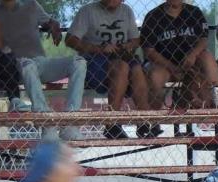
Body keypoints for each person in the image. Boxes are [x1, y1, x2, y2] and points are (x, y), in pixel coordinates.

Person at [0, 0, 87, 140]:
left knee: (78, 62)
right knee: (27, 64)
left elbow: (49, 21)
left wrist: (54, 25)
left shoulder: (31, 5)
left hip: (40, 62)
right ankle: (46, 123)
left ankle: (70, 122)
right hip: (16, 66)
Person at [66, 0, 154, 139]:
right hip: (95, 59)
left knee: (137, 69)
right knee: (122, 67)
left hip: (122, 56)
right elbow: (70, 39)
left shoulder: (126, 10)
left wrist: (129, 45)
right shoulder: (87, 11)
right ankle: (112, 123)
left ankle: (143, 123)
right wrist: (99, 49)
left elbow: (136, 39)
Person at [141, 0, 218, 111]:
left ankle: (217, 103)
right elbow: (149, 50)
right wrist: (172, 67)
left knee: (207, 58)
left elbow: (203, 40)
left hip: (190, 60)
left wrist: (192, 55)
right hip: (162, 63)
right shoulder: (153, 16)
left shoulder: (194, 12)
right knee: (156, 76)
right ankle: (153, 120)